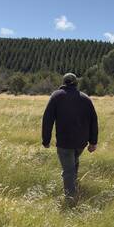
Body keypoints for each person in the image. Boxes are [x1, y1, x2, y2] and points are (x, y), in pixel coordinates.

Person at [42, 73, 98, 204]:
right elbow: (93, 121)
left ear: (64, 82)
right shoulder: (85, 98)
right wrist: (93, 142)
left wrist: (46, 140)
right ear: (76, 83)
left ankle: (70, 200)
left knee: (68, 171)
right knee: (73, 166)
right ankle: (74, 189)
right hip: (81, 143)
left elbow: (47, 119)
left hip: (64, 142)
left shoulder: (56, 96)